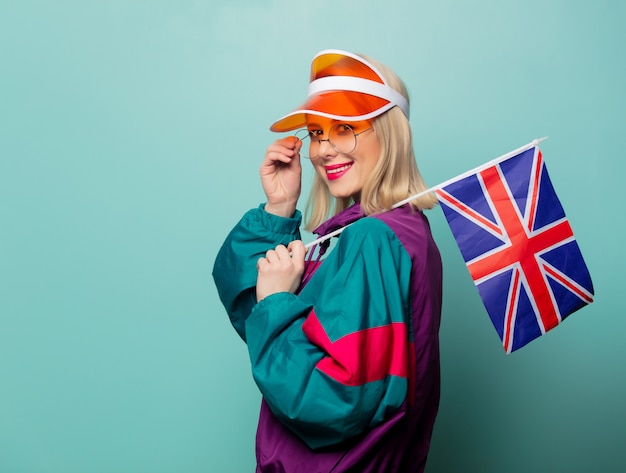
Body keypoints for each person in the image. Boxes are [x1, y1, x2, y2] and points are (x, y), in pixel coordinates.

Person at [213, 49, 443, 473]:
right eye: (317, 133)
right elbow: (261, 326)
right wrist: (279, 208)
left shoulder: (373, 239)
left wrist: (277, 304)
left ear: (389, 134)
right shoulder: (391, 233)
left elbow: (337, 398)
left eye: (345, 129)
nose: (323, 150)